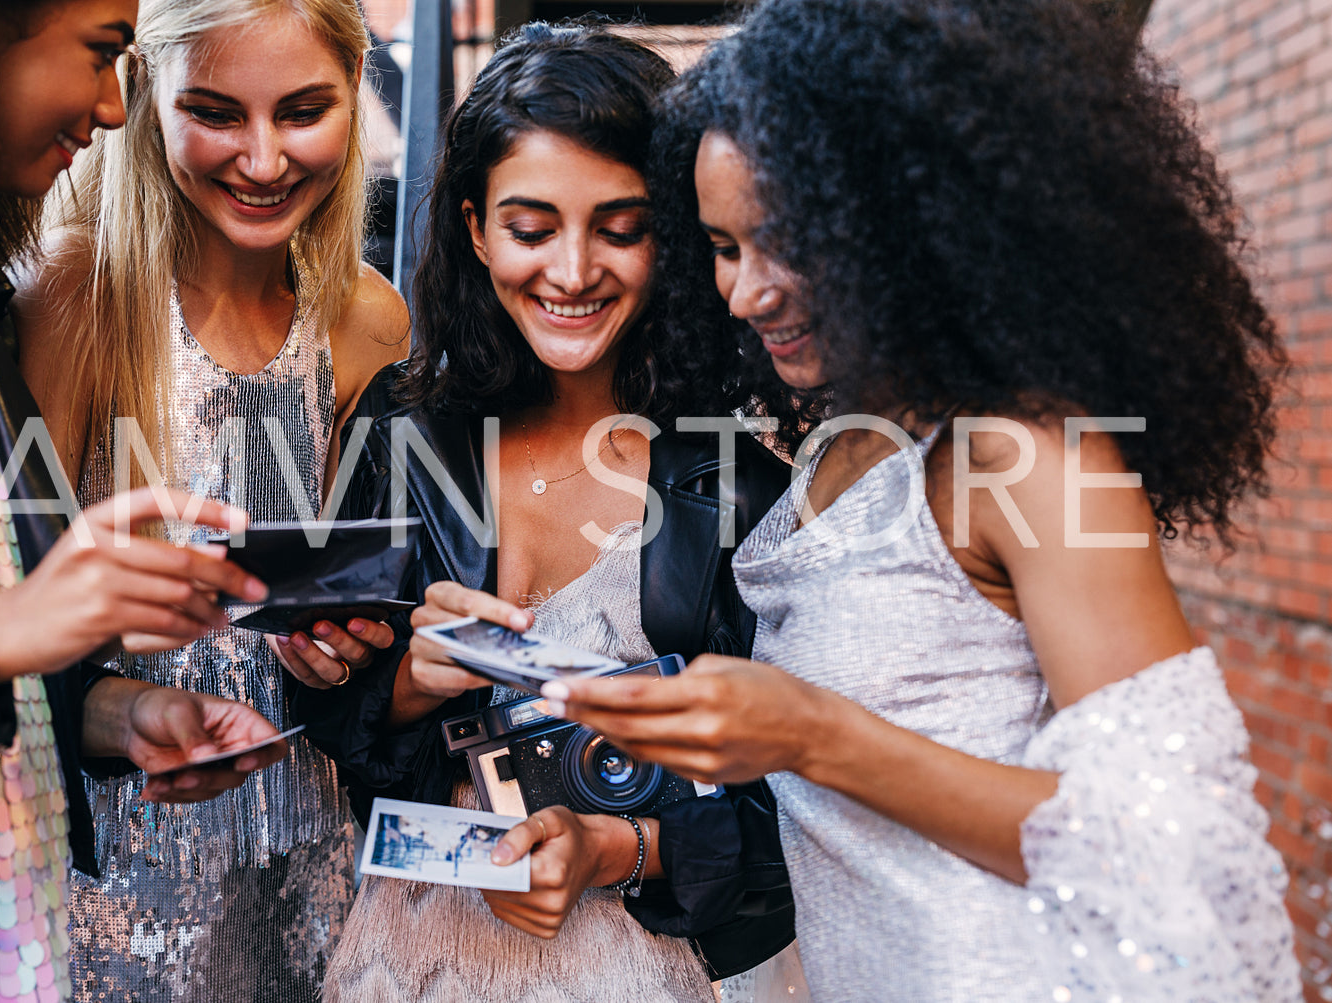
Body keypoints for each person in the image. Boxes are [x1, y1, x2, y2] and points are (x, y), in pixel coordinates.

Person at [547, 1, 1303, 1000]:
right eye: (723, 247)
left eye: (787, 240)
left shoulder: (1022, 456)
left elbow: (1164, 847)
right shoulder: (841, 442)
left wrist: (814, 734)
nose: (743, 292)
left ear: (910, 216)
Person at [291, 22, 795, 1003]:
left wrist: (613, 845)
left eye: (620, 226)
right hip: (405, 963)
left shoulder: (735, 486)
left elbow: (796, 814)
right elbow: (333, 726)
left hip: (630, 972)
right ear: (475, 228)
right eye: (531, 228)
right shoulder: (398, 433)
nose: (571, 271)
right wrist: (406, 683)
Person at [0, 1, 300, 1000]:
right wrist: (3, 633)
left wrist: (117, 712)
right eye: (99, 53)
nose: (112, 107)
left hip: (11, 943)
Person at [14, 0, 408, 996]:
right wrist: (127, 712)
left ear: (355, 94)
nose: (265, 159)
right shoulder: (79, 300)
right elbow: (19, 628)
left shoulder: (365, 319)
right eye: (217, 112)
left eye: (303, 110)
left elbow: (346, 587)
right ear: (146, 96)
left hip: (317, 856)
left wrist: (346, 646)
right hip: (125, 869)